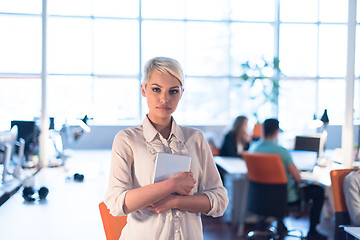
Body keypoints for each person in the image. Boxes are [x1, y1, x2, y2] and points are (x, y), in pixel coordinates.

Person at [104, 57, 229, 240]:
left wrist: (176, 201)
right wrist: (172, 185)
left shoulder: (196, 139)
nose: (164, 98)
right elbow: (116, 204)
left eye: (173, 91)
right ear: (143, 89)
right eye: (156, 89)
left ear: (181, 93)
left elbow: (219, 200)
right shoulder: (127, 140)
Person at [249, 118, 327, 240]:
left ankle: (281, 225)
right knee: (318, 191)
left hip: (260, 199)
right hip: (284, 199)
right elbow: (297, 177)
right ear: (276, 131)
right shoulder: (281, 151)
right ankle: (312, 232)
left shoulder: (253, 149)